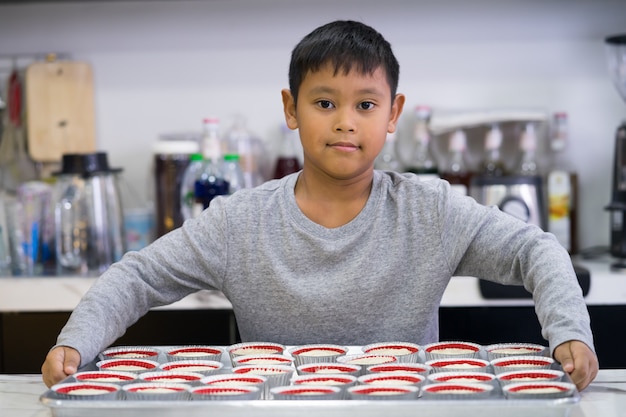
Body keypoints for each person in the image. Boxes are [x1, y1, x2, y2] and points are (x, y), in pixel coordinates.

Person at [42, 20, 598, 391]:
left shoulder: (430, 211)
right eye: (325, 102)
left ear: (393, 113)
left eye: (366, 104)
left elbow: (534, 249)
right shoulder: (240, 223)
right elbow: (138, 276)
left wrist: (569, 331)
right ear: (291, 108)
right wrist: (76, 341)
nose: (345, 121)